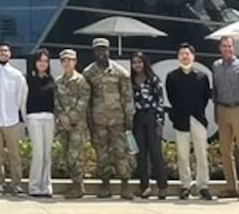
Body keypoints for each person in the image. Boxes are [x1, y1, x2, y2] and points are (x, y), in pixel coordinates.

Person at [84, 37, 134, 200]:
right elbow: (87, 100)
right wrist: (88, 121)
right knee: (102, 154)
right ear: (94, 52)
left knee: (121, 153)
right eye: (98, 50)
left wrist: (129, 118)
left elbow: (127, 97)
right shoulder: (88, 73)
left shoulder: (120, 72)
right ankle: (105, 185)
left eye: (104, 49)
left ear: (108, 51)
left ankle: (125, 185)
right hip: (98, 122)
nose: (101, 53)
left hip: (118, 121)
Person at [165, 42, 214, 201]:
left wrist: (196, 111)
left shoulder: (202, 76)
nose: (185, 56)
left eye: (187, 53)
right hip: (180, 119)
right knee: (183, 154)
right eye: (182, 54)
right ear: (178, 57)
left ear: (193, 56)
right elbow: (171, 97)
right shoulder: (172, 76)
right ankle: (185, 185)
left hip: (198, 119)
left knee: (201, 153)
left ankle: (203, 185)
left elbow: (205, 98)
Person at [212, 35, 239, 201]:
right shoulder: (216, 66)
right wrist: (216, 111)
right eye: (224, 46)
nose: (227, 49)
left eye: (229, 46)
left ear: (233, 48)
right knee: (225, 150)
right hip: (223, 109)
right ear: (220, 48)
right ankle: (231, 187)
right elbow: (215, 90)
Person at [0, 41, 28, 196]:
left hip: (12, 120)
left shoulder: (17, 75)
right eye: (1, 51)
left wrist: (17, 114)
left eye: (7, 51)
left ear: (10, 54)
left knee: (15, 154)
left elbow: (21, 98)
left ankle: (16, 184)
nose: (4, 53)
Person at [129, 52, 169, 200]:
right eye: (134, 62)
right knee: (140, 154)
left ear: (145, 63)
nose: (137, 65)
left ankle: (162, 187)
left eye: (139, 62)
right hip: (137, 118)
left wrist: (160, 122)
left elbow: (160, 102)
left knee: (155, 153)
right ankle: (145, 186)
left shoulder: (153, 80)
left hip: (152, 118)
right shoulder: (131, 81)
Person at [54, 48, 91, 198]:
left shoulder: (81, 81)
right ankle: (75, 184)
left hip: (78, 125)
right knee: (66, 155)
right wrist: (63, 118)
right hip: (64, 125)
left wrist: (71, 118)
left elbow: (83, 101)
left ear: (75, 62)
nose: (67, 63)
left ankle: (78, 184)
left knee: (75, 155)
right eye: (64, 60)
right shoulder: (58, 81)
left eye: (70, 60)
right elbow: (56, 102)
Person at [24, 49, 57, 198]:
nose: (42, 64)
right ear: (35, 62)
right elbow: (23, 101)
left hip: (49, 118)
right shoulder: (28, 79)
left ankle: (46, 186)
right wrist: (25, 119)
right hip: (34, 118)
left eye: (45, 61)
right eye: (40, 61)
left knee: (47, 153)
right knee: (38, 152)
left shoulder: (51, 80)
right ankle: (34, 186)